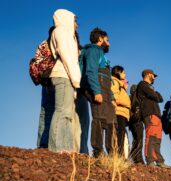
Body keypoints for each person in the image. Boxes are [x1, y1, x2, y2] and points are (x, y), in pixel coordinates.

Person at [48, 9, 81, 153]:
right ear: (67, 19)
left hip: (67, 75)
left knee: (67, 114)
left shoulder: (68, 34)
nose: (77, 25)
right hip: (63, 74)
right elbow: (68, 56)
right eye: (75, 21)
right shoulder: (61, 31)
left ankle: (67, 148)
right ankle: (56, 148)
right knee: (62, 111)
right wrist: (76, 79)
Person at [79, 27, 116, 158]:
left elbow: (108, 79)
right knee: (99, 119)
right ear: (100, 39)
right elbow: (90, 71)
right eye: (107, 40)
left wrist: (111, 97)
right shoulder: (94, 50)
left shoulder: (101, 55)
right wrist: (96, 91)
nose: (109, 43)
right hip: (98, 89)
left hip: (105, 90)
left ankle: (112, 154)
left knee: (111, 120)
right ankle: (98, 152)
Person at [136, 69, 170, 168]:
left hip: (156, 114)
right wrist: (154, 93)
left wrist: (155, 93)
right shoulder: (142, 85)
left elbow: (160, 98)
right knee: (151, 137)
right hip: (149, 114)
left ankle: (159, 161)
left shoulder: (149, 87)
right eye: (153, 75)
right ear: (148, 74)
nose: (154, 77)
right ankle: (150, 160)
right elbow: (154, 95)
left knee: (157, 138)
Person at [36, 26, 56, 148]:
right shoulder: (53, 45)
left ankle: (40, 144)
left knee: (44, 113)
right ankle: (45, 144)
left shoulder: (43, 44)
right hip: (52, 79)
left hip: (44, 81)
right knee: (50, 112)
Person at [111, 65, 131, 155]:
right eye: (123, 72)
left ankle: (120, 153)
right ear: (118, 72)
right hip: (119, 111)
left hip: (122, 112)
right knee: (119, 133)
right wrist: (124, 102)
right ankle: (119, 154)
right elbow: (114, 94)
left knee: (121, 133)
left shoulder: (120, 84)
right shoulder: (115, 81)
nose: (125, 74)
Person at [128, 84, 145, 164]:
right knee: (139, 140)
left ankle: (135, 157)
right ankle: (138, 158)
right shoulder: (136, 99)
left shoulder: (129, 98)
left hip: (132, 123)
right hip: (137, 122)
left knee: (135, 140)